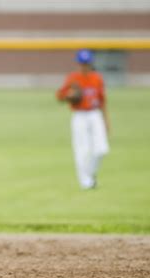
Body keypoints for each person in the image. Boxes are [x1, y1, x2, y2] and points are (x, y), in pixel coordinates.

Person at [56, 49, 110, 189]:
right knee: (82, 150)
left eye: (86, 63)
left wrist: (106, 120)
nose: (84, 66)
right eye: (81, 63)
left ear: (91, 63)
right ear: (78, 64)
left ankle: (90, 173)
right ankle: (85, 182)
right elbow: (60, 96)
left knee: (101, 149)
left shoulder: (97, 78)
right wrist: (69, 95)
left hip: (94, 114)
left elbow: (102, 100)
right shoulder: (73, 78)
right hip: (79, 115)